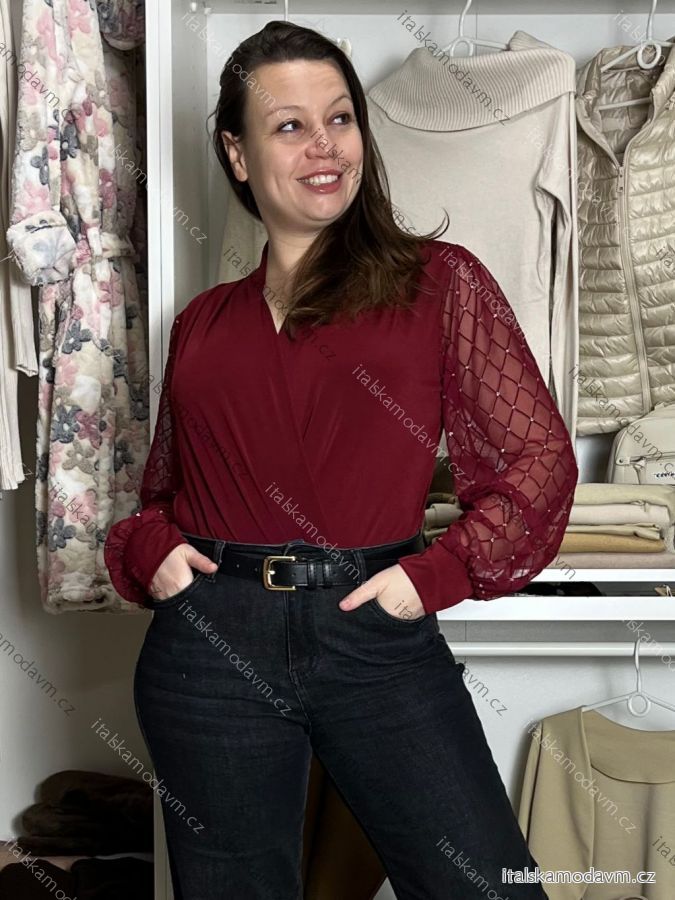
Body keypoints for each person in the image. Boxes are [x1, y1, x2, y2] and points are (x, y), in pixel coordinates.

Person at [104, 20, 578, 900]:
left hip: (375, 632)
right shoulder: (202, 323)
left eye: (340, 118)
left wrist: (430, 577)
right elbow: (161, 494)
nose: (323, 145)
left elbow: (539, 461)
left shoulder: (440, 282)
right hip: (209, 646)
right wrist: (150, 550)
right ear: (237, 155)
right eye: (289, 126)